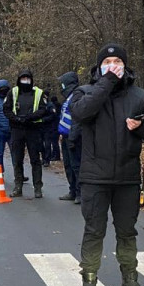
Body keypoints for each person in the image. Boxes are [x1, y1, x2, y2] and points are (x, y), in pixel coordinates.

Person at [70, 43, 144, 286]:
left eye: (117, 62)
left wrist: (142, 127)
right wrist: (106, 83)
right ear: (99, 67)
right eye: (108, 62)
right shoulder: (85, 91)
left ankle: (130, 282)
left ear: (126, 65)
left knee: (127, 232)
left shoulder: (138, 95)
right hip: (94, 177)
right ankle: (89, 283)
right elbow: (80, 113)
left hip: (127, 176)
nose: (113, 65)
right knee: (93, 231)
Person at [3, 69, 49, 198]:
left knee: (35, 160)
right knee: (17, 159)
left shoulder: (39, 93)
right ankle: (18, 187)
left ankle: (38, 188)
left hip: (33, 129)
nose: (25, 81)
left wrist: (30, 117)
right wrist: (16, 118)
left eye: (28, 78)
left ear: (31, 79)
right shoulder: (13, 92)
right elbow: (6, 109)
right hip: (17, 129)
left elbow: (43, 109)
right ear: (19, 79)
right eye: (23, 78)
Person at [57, 71, 82, 204]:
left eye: (62, 83)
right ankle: (72, 190)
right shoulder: (68, 97)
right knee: (68, 165)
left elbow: (78, 120)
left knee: (76, 165)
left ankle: (79, 193)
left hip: (75, 138)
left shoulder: (77, 96)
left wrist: (73, 138)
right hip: (65, 136)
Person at [47, 95, 62, 162]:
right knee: (55, 142)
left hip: (53, 126)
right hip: (58, 126)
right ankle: (55, 155)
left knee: (54, 142)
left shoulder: (53, 107)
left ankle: (56, 156)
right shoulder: (60, 106)